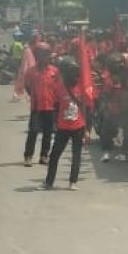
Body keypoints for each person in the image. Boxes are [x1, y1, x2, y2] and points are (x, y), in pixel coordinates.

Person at [42, 57, 87, 191]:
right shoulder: (59, 86)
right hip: (63, 127)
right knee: (55, 155)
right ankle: (49, 182)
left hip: (78, 126)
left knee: (76, 155)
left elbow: (86, 107)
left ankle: (73, 181)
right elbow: (55, 105)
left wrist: (87, 128)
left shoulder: (81, 85)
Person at [23, 47, 57, 166]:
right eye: (44, 56)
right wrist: (34, 96)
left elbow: (58, 87)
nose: (47, 58)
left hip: (50, 107)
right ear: (39, 57)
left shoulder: (54, 71)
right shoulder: (32, 72)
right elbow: (27, 86)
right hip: (37, 108)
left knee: (48, 133)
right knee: (33, 132)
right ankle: (28, 156)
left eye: (48, 56)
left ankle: (44, 156)